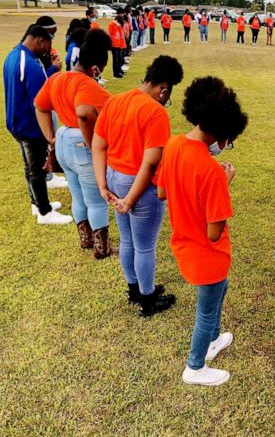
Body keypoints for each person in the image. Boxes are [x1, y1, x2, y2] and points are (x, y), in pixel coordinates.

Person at [156, 76, 248, 386]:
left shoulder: (173, 145)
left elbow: (161, 193)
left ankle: (212, 343)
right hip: (207, 255)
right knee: (206, 312)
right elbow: (213, 231)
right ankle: (195, 367)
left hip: (184, 246)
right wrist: (225, 183)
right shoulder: (212, 171)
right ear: (221, 132)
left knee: (217, 296)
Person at [92, 55, 184, 317]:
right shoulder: (155, 111)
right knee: (144, 246)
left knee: (128, 240)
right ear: (164, 88)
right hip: (138, 186)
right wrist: (131, 199)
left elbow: (98, 145)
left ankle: (134, 289)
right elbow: (150, 164)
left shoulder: (116, 100)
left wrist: (102, 185)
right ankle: (147, 298)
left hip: (113, 176)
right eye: (168, 94)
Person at [34, 29, 119, 254]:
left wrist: (50, 137)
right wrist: (94, 145)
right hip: (81, 145)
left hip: (62, 141)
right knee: (96, 200)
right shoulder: (89, 86)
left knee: (77, 195)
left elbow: (40, 106)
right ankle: (102, 247)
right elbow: (83, 114)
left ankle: (86, 238)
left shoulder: (57, 79)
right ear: (95, 68)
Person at [3, 25, 73, 225]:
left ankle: (36, 202)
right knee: (37, 169)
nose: (48, 51)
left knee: (30, 166)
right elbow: (40, 99)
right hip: (29, 125)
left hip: (16, 122)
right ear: (40, 41)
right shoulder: (30, 64)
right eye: (48, 45)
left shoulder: (13, 55)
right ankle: (44, 211)